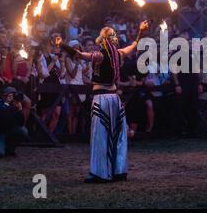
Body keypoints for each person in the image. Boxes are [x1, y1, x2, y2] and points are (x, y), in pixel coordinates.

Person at [56, 20, 149, 183]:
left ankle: (100, 173)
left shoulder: (99, 55)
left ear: (102, 38)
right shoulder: (118, 53)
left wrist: (62, 45)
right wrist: (141, 31)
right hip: (115, 99)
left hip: (102, 99)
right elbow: (134, 45)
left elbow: (79, 55)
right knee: (117, 136)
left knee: (101, 136)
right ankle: (118, 171)